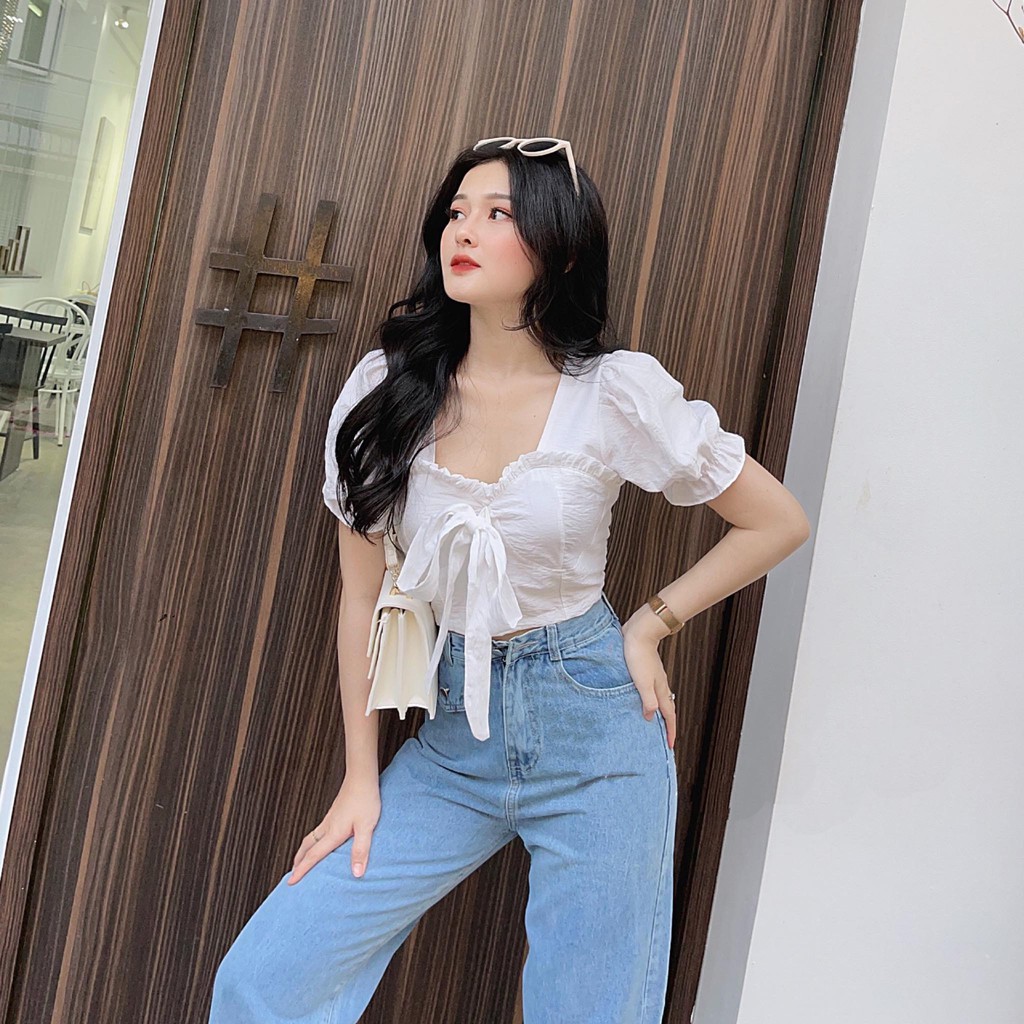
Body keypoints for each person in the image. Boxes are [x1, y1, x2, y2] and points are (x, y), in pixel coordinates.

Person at [208, 136, 810, 1024]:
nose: (465, 230)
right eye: (457, 212)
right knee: (265, 979)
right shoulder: (387, 389)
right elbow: (360, 597)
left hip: (598, 737)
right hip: (455, 733)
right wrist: (360, 778)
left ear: (559, 250)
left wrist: (650, 623)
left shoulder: (613, 393)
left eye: (498, 214)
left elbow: (777, 520)